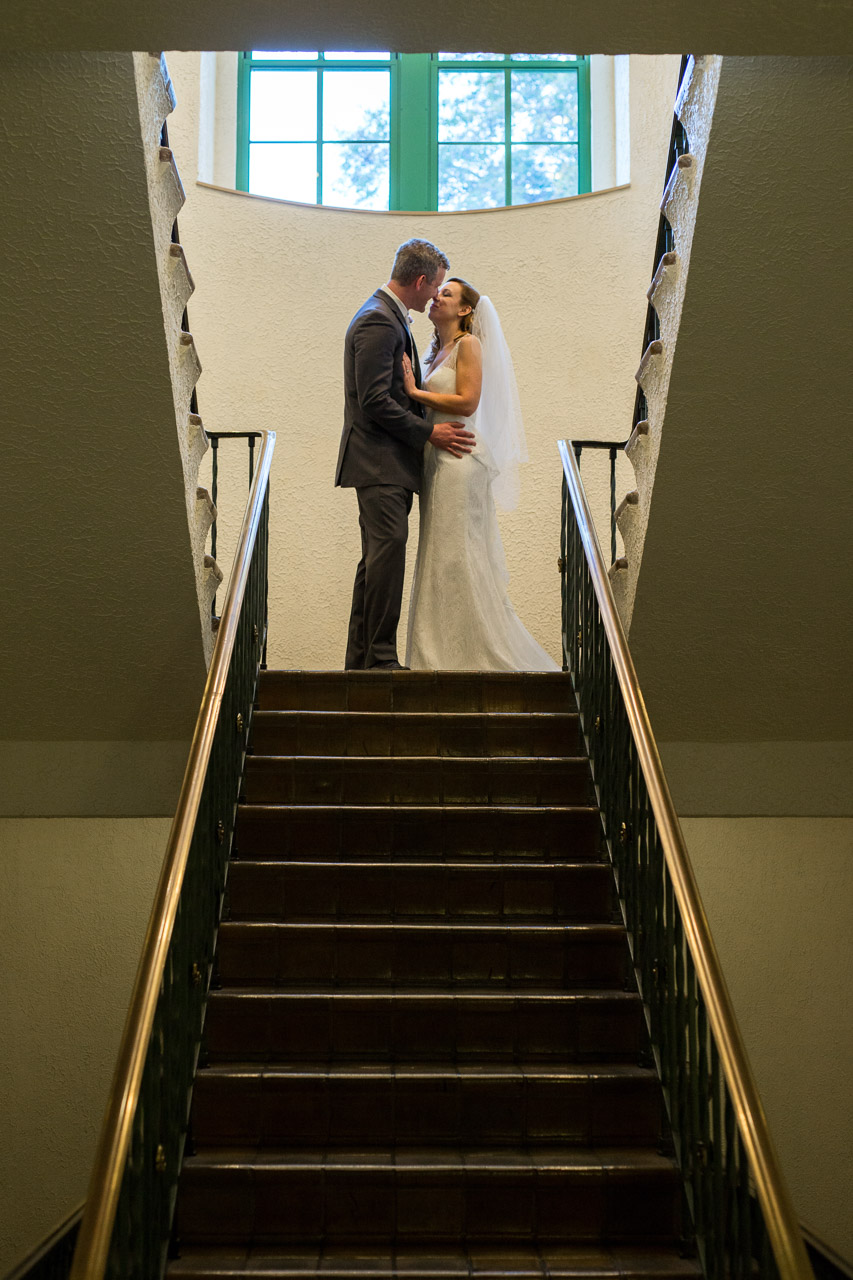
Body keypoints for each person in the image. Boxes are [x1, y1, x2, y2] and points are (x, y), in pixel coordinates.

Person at [402, 277, 560, 672]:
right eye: (438, 293)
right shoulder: (434, 351)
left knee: (458, 557)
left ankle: (469, 658)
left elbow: (468, 402)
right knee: (438, 558)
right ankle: (434, 656)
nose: (437, 298)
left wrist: (414, 392)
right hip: (436, 462)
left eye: (447, 294)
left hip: (460, 461)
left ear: (466, 310)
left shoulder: (468, 345)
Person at [335, 240, 476, 670]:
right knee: (388, 550)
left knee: (378, 557)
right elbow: (376, 401)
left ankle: (361, 660)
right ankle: (378, 659)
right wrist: (428, 433)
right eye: (434, 288)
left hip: (385, 461)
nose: (435, 296)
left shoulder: (387, 317)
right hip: (379, 461)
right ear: (419, 281)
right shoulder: (379, 322)